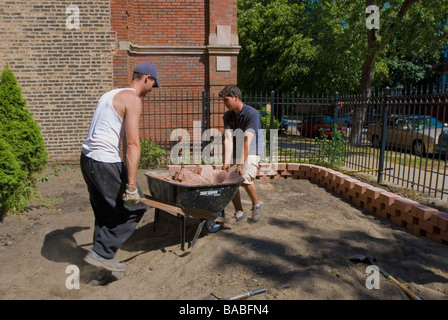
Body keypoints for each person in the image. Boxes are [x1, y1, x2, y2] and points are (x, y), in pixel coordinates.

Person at [80, 62, 161, 272]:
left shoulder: (111, 94)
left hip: (87, 159)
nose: (152, 90)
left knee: (105, 213)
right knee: (135, 208)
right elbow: (133, 145)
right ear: (146, 79)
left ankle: (98, 272)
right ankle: (102, 253)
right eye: (153, 84)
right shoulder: (132, 99)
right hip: (105, 161)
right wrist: (131, 186)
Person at [219, 85, 265, 222]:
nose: (225, 104)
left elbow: (247, 139)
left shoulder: (252, 113)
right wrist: (227, 162)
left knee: (244, 178)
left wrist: (240, 164)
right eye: (223, 101)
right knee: (230, 181)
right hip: (237, 148)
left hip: (253, 148)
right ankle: (239, 212)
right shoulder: (227, 116)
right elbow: (227, 139)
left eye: (226, 100)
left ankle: (256, 205)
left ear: (236, 97)